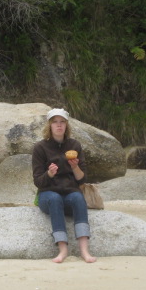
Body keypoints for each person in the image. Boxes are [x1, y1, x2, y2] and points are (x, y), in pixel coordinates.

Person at [32, 108, 96, 263]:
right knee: (54, 199)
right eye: (55, 122)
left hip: (69, 193)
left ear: (67, 125)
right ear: (49, 125)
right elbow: (37, 181)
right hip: (47, 195)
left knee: (78, 197)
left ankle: (84, 250)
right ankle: (63, 249)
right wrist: (49, 174)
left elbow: (82, 179)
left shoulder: (74, 145)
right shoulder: (40, 148)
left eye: (62, 122)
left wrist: (75, 167)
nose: (59, 125)